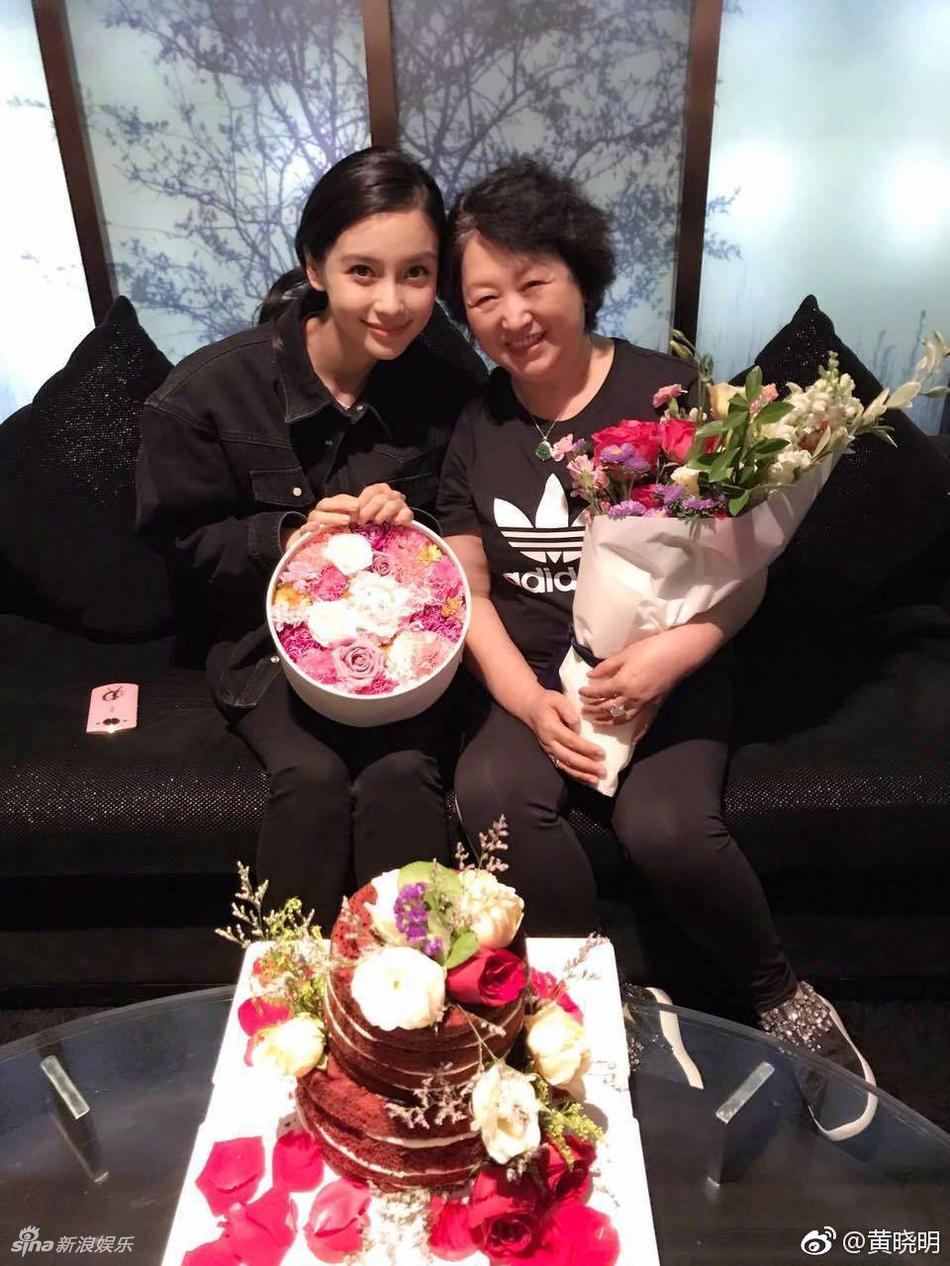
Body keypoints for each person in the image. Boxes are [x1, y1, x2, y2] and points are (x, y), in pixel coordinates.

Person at [436, 158, 876, 1141]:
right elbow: (467, 592)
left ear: (579, 275)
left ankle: (780, 994)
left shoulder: (668, 393)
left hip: (669, 668)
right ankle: (589, 1003)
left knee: (666, 828)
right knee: (490, 792)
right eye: (485, 298)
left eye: (533, 281)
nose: (513, 314)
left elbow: (741, 567)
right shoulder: (477, 423)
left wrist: (672, 658)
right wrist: (526, 701)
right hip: (540, 677)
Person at [136, 147, 483, 931]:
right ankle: (288, 989)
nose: (392, 302)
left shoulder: (449, 387)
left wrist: (413, 525)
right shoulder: (211, 394)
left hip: (405, 647)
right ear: (314, 265)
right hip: (266, 643)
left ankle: (412, 987)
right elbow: (177, 547)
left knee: (402, 773)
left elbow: (462, 526)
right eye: (363, 272)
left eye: (417, 274)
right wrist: (288, 533)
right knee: (312, 776)